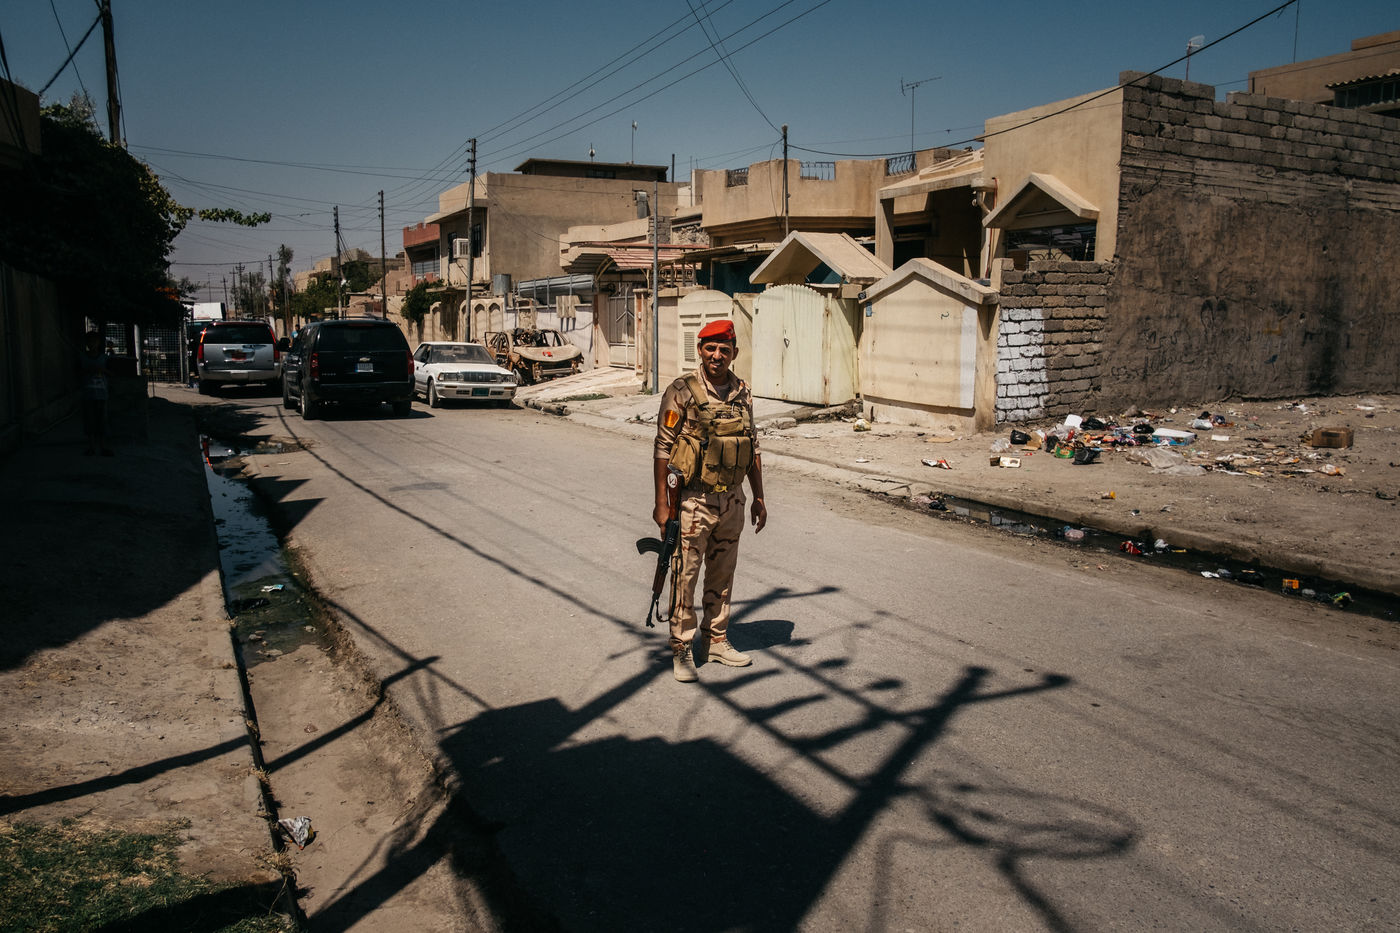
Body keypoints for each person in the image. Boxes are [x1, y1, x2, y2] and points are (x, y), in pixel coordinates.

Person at [653, 319, 767, 683]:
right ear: (700, 350)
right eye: (711, 348)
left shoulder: (742, 392)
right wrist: (661, 503)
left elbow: (753, 446)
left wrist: (759, 497)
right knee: (684, 577)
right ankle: (682, 648)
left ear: (734, 353)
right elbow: (663, 447)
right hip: (693, 500)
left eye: (724, 350)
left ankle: (715, 641)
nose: (717, 355)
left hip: (732, 500)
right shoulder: (681, 391)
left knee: (723, 575)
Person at [79, 330, 113, 456]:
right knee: (90, 421)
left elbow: (112, 373)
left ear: (98, 343)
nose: (92, 344)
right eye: (90, 341)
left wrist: (102, 370)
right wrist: (88, 370)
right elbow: (77, 373)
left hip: (102, 395)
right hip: (88, 395)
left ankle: (103, 446)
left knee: (102, 421)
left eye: (94, 341)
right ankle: (92, 447)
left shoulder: (104, 358)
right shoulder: (82, 358)